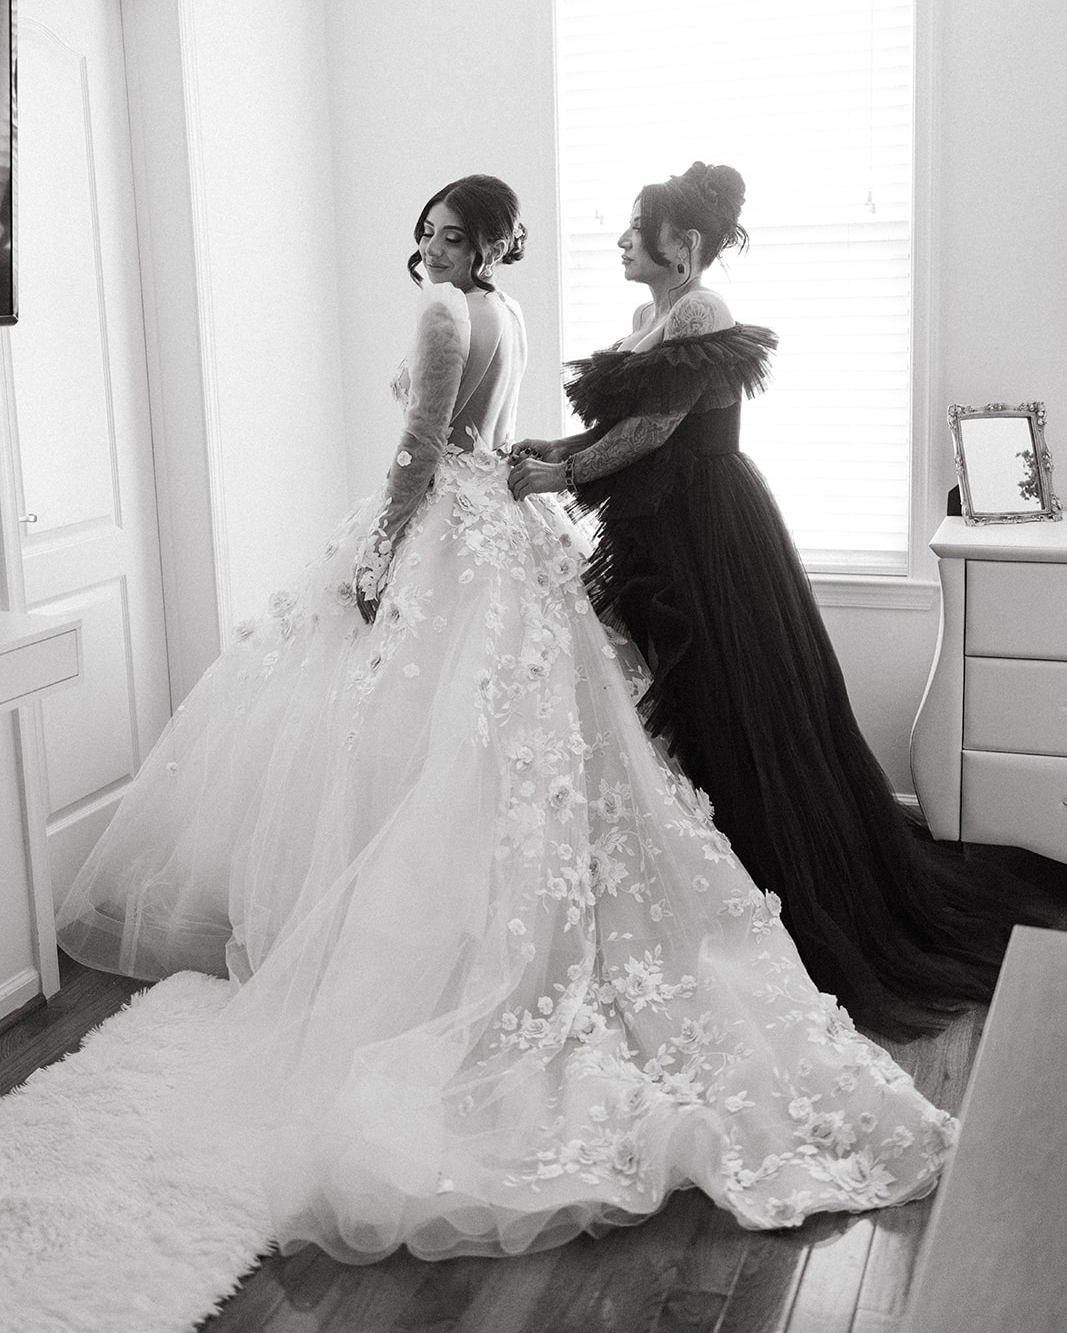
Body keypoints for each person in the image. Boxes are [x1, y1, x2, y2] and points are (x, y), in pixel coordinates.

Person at [57, 174, 956, 1266]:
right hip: (524, 514)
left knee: (454, 730)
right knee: (511, 741)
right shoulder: (519, 311)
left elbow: (437, 447)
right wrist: (536, 469)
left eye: (452, 234)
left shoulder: (482, 313)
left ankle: (440, 945)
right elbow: (563, 429)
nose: (431, 248)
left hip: (615, 527)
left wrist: (414, 535)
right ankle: (463, 921)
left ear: (490, 246)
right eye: (425, 230)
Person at [509, 159, 1052, 1041]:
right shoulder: (651, 315)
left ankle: (763, 884)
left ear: (679, 246)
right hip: (668, 526)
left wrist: (557, 475)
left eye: (632, 229)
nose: (616, 241)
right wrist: (557, 444)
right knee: (677, 705)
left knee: (727, 702)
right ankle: (692, 877)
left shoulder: (700, 311)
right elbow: (622, 426)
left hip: (711, 532)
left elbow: (654, 430)